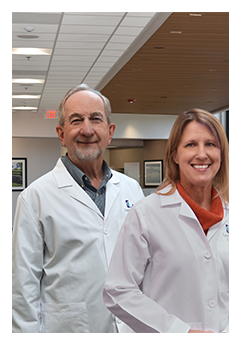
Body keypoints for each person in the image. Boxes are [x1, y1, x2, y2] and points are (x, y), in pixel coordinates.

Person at [103, 108, 229, 333]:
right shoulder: (146, 214)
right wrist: (179, 333)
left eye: (210, 144)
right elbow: (118, 291)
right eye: (191, 145)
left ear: (221, 154)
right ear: (175, 155)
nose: (202, 154)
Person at [12, 84, 144, 333]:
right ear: (61, 133)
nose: (87, 129)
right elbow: (23, 288)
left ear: (110, 131)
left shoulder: (132, 190)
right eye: (76, 120)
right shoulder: (36, 197)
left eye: (96, 119)